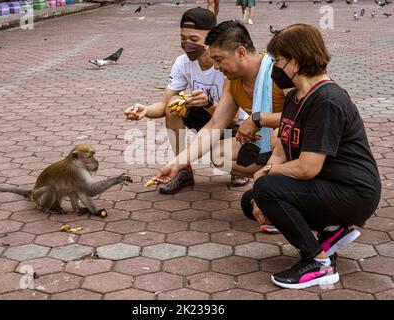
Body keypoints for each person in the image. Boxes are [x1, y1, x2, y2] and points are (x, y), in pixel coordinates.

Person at [241, 23, 381, 289]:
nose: (275, 68)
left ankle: (318, 263)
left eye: (278, 60)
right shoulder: (296, 96)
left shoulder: (326, 100)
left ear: (295, 60)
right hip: (330, 187)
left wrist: (264, 177)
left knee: (268, 187)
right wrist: (260, 185)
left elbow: (307, 168)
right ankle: (332, 231)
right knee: (252, 199)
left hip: (354, 193)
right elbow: (282, 149)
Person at [125, 8, 249, 194]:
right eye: (183, 38)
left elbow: (230, 118)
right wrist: (145, 110)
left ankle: (240, 166)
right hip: (208, 118)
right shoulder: (182, 63)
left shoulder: (226, 65)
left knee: (222, 158)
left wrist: (207, 102)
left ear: (211, 39)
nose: (187, 44)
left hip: (235, 126)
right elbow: (165, 103)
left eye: (194, 40)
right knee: (174, 105)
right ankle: (183, 171)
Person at [153, 21, 286, 191]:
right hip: (261, 141)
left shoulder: (278, 71)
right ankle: (271, 176)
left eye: (219, 59)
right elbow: (214, 126)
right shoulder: (232, 83)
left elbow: (305, 116)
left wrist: (257, 120)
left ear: (240, 52)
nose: (215, 66)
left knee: (277, 136)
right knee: (218, 155)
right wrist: (177, 163)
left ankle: (282, 181)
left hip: (291, 140)